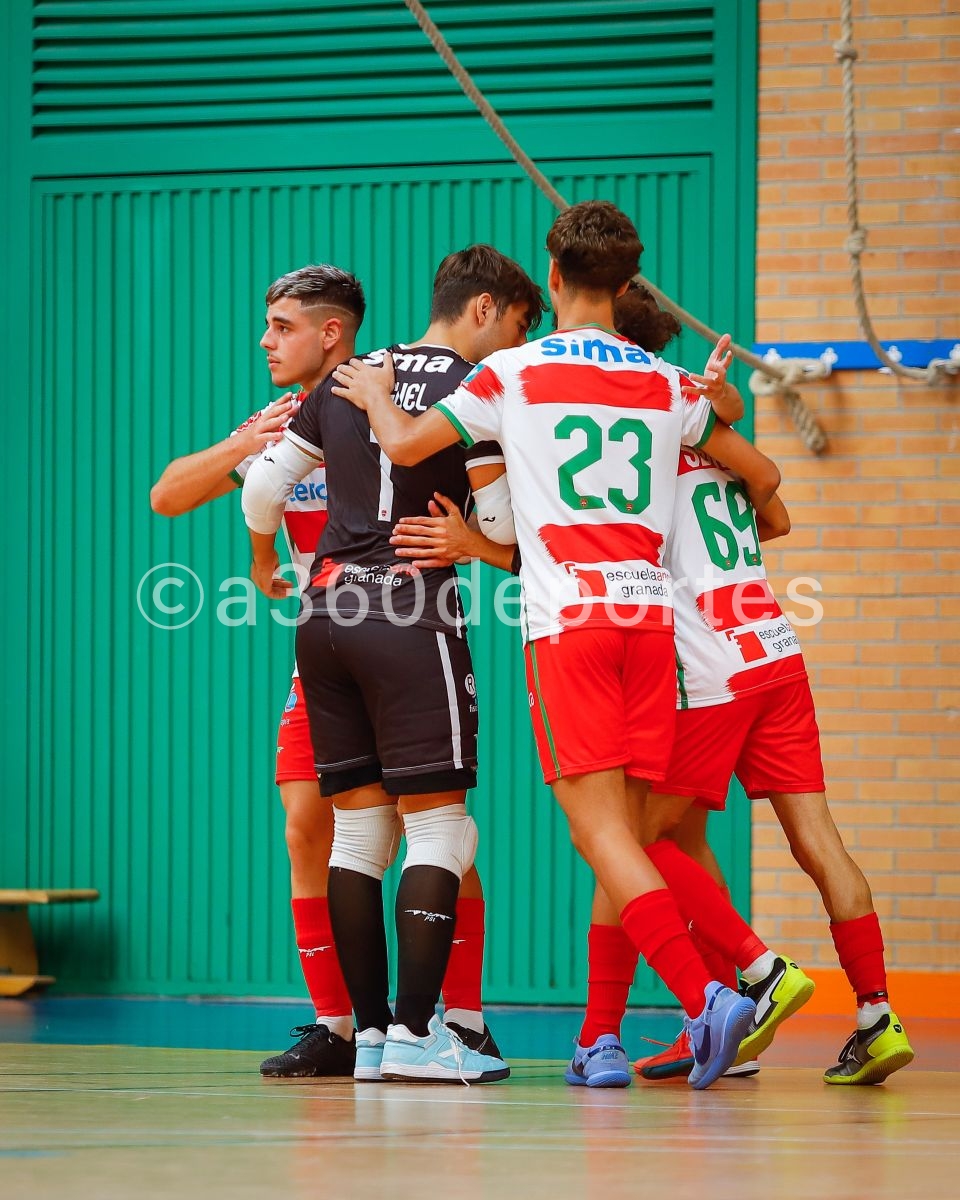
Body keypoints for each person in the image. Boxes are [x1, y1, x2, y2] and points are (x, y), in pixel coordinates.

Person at [330, 200, 792, 1090]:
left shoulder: (513, 369)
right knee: (628, 833)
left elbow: (408, 440)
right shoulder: (664, 381)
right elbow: (760, 477)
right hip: (653, 627)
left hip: (571, 626)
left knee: (599, 834)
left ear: (551, 277)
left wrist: (381, 392)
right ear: (626, 285)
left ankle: (708, 996)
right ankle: (610, 1038)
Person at [150, 263, 500, 1079]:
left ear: (331, 333)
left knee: (432, 830)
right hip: (332, 645)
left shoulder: (390, 394)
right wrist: (248, 451)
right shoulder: (284, 422)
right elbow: (169, 495)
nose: (266, 341)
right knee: (310, 828)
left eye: (281, 327)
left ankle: (465, 1019)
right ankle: (343, 1028)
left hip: (397, 626)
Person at [241, 245, 546, 1084]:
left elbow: (261, 493)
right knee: (443, 828)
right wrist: (476, 545)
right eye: (517, 327)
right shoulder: (477, 389)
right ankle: (422, 1034)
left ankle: (369, 1038)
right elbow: (504, 526)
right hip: (410, 608)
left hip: (324, 614)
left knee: (359, 831)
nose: (513, 347)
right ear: (482, 310)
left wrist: (266, 562)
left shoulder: (353, 374)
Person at [596, 284, 914, 1087]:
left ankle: (759, 975)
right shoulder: (707, 424)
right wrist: (726, 412)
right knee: (815, 838)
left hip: (712, 665)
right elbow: (775, 519)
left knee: (635, 839)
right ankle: (876, 1014)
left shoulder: (637, 427)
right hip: (774, 646)